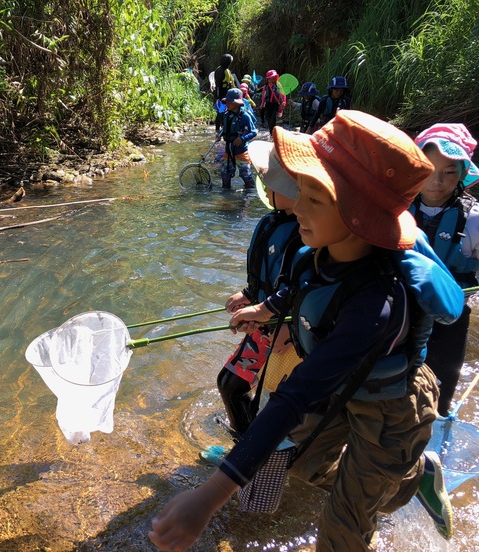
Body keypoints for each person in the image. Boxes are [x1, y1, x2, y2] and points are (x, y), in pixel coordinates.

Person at [149, 110, 464, 551]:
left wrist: (210, 496)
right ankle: (380, 482)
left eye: (314, 197)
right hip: (344, 390)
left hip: (392, 408)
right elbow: (294, 292)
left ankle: (406, 478)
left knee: (342, 530)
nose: (296, 206)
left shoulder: (377, 303)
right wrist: (264, 311)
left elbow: (297, 395)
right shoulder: (313, 253)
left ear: (357, 214)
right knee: (298, 461)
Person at [200, 140, 301, 465]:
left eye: (271, 180)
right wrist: (249, 294)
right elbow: (273, 278)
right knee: (235, 385)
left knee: (236, 386)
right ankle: (250, 451)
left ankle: (248, 458)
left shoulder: (305, 232)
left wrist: (284, 326)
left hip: (282, 329)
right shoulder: (277, 221)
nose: (264, 183)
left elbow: (298, 287)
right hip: (267, 322)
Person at [410, 123, 479, 416]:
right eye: (428, 168)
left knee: (440, 393)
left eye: (449, 172)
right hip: (404, 314)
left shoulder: (474, 220)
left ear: (463, 173)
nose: (436, 180)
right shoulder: (396, 209)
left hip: (450, 321)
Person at [216, 88, 257, 189]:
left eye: (229, 102)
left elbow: (254, 132)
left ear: (237, 103)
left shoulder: (245, 116)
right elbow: (224, 129)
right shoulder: (226, 115)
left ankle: (249, 195)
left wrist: (242, 139)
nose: (227, 104)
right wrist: (219, 134)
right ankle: (226, 198)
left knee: (245, 175)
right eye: (227, 102)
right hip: (228, 151)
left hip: (241, 151)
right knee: (225, 175)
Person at [211, 54, 237, 132]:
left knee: (227, 111)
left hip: (226, 93)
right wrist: (218, 97)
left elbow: (231, 82)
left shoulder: (227, 70)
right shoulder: (220, 70)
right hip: (220, 94)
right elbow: (218, 85)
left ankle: (225, 128)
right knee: (220, 111)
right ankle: (217, 129)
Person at [258, 69, 287, 137]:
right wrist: (262, 105)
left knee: (273, 120)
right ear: (268, 79)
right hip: (268, 105)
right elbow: (263, 97)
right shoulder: (265, 87)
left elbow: (283, 95)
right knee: (269, 120)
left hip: (276, 105)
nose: (272, 79)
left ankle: (274, 135)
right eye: (270, 78)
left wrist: (284, 102)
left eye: (273, 77)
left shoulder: (278, 85)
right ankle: (272, 134)